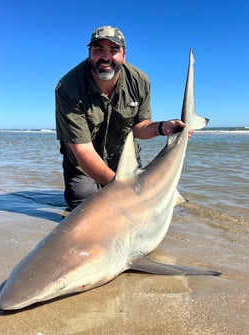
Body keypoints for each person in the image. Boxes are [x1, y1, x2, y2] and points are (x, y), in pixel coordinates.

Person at [55, 25, 192, 211]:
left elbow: (139, 126)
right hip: (82, 165)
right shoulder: (68, 87)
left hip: (123, 159)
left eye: (114, 50)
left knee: (141, 209)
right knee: (83, 208)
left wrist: (162, 127)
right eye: (98, 50)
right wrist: (120, 187)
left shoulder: (140, 81)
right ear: (89, 54)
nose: (106, 57)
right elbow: (83, 151)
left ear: (124, 55)